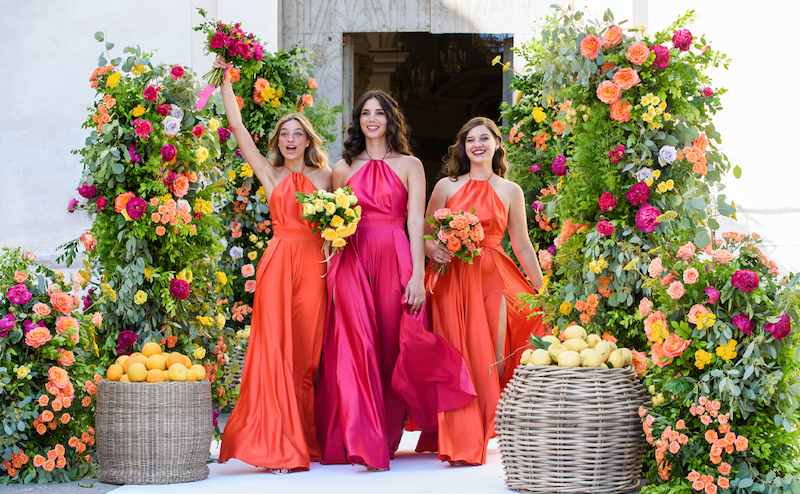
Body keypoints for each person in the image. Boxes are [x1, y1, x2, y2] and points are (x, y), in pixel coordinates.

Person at [315, 90, 475, 472]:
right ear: (358, 121)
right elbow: (332, 221)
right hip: (352, 256)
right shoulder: (342, 169)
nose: (373, 119)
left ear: (390, 120)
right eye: (366, 113)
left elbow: (416, 221)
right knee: (357, 344)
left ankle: (384, 437)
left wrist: (417, 275)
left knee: (392, 344)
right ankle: (359, 438)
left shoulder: (410, 164)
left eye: (380, 113)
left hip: (396, 254)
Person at [213, 56, 332, 474]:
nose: (291, 140)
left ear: (308, 140)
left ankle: (304, 439)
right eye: (285, 134)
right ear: (278, 141)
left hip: (315, 266)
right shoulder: (270, 174)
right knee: (274, 352)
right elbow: (239, 130)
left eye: (298, 133)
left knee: (306, 357)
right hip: (278, 263)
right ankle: (278, 445)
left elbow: (349, 217)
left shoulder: (326, 177)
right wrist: (226, 83)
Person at [423, 116, 546, 466]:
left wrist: (542, 290)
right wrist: (436, 249)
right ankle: (460, 439)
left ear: (496, 144)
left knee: (491, 351)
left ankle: (484, 429)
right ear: (463, 147)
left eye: (484, 138)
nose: (477, 144)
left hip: (492, 275)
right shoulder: (446, 186)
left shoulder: (510, 191)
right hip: (451, 278)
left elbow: (522, 245)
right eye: (470, 140)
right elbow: (425, 234)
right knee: (456, 352)